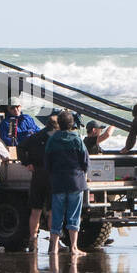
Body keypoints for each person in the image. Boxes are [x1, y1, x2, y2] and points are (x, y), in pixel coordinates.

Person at [45, 110, 90, 256]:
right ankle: (74, 247)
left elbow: (47, 162)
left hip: (58, 181)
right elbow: (85, 161)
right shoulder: (77, 139)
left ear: (59, 123)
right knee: (74, 215)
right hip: (75, 181)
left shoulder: (52, 140)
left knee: (57, 214)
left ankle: (54, 248)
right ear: (72, 124)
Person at [17, 114, 57, 251]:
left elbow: (20, 147)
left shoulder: (35, 136)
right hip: (53, 175)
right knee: (52, 211)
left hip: (37, 174)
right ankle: (53, 243)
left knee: (36, 210)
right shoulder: (57, 137)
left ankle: (33, 240)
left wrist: (27, 163)